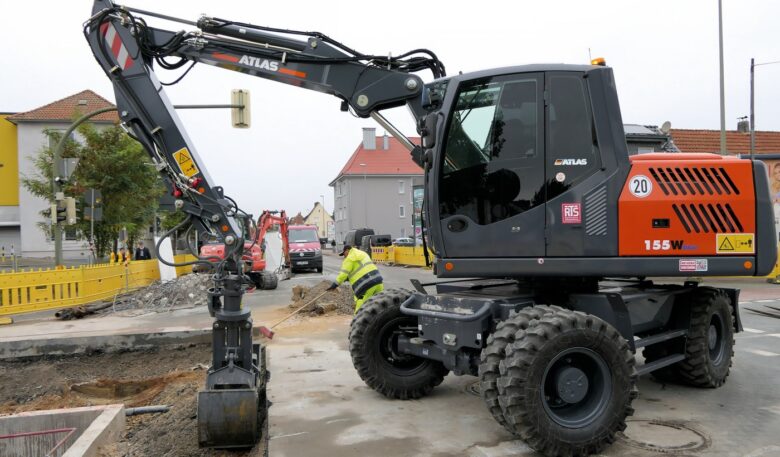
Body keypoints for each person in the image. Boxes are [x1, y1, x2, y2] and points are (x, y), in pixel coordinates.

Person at [327, 245, 384, 313]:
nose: (344, 256)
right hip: (378, 282)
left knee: (360, 311)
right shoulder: (363, 253)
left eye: (344, 254)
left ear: (347, 250)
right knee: (379, 307)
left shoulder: (349, 258)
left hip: (366, 286)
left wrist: (335, 284)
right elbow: (362, 268)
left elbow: (343, 274)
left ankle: (357, 323)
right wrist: (348, 278)